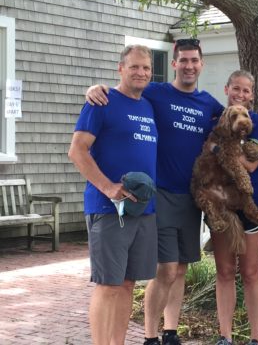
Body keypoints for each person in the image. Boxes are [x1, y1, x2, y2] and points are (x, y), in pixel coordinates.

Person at [85, 39, 224, 345]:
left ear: (202, 64)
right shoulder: (155, 94)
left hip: (188, 196)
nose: (189, 66)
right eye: (183, 60)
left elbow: (231, 122)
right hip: (152, 196)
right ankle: (150, 335)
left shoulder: (208, 104)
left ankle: (170, 332)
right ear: (174, 64)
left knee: (175, 269)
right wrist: (95, 88)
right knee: (159, 270)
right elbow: (121, 94)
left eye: (194, 61)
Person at [68, 44, 158, 345]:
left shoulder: (148, 105)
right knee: (108, 284)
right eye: (134, 67)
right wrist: (108, 188)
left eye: (146, 68)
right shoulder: (102, 101)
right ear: (121, 68)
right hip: (108, 210)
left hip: (143, 211)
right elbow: (77, 151)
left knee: (128, 284)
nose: (141, 72)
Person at [211, 70, 258, 345]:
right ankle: (226, 336)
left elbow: (251, 164)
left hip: (251, 205)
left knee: (250, 271)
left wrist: (224, 152)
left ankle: (255, 338)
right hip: (222, 202)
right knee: (224, 270)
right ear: (227, 89)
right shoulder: (217, 121)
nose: (241, 95)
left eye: (247, 91)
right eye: (236, 88)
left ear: (253, 95)